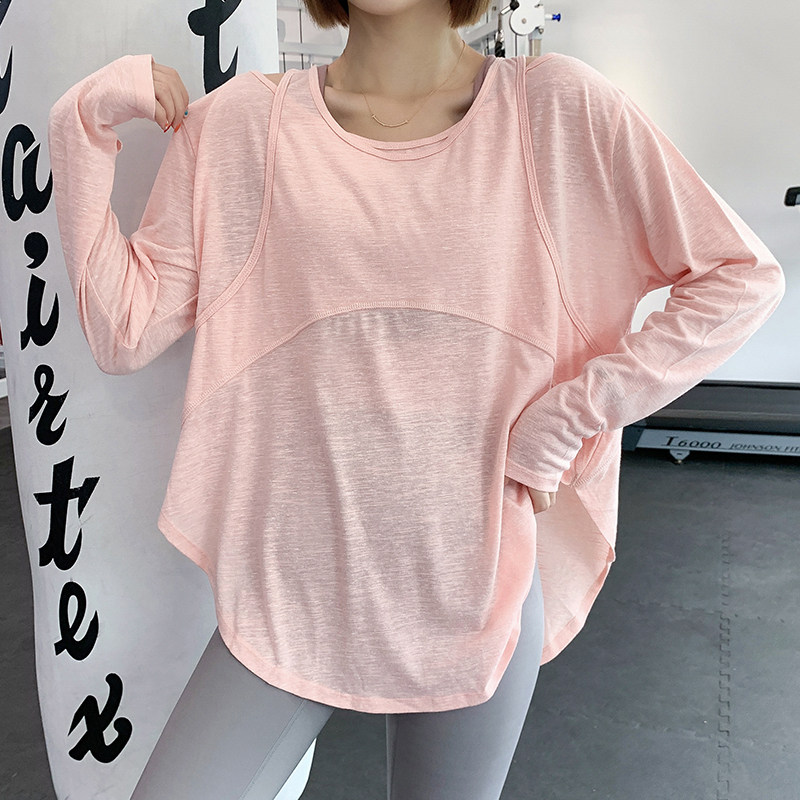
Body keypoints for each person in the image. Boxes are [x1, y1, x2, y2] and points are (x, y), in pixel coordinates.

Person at [46, 0, 785, 795]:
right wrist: (80, 122)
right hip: (293, 580)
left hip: (475, 577)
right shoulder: (243, 127)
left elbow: (740, 279)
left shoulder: (555, 110)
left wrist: (566, 419)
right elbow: (123, 328)